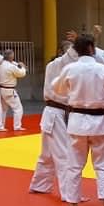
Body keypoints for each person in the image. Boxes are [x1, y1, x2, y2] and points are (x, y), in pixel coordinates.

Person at [51, 33, 104, 206]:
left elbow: (56, 88)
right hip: (101, 122)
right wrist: (103, 98)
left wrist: (73, 92)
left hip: (77, 122)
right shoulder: (103, 69)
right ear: (92, 48)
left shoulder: (70, 69)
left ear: (76, 49)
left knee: (74, 165)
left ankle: (72, 205)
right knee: (103, 164)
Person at [29, 40, 73, 197]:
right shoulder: (56, 65)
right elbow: (70, 56)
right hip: (56, 113)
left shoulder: (67, 67)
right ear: (61, 52)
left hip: (55, 114)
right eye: (69, 50)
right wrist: (87, 38)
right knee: (64, 154)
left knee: (47, 154)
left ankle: (39, 185)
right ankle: (70, 194)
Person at [0, 49, 27, 131]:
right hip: (9, 90)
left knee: (3, 109)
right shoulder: (11, 66)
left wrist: (18, 64)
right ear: (11, 56)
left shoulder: (1, 64)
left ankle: (0, 126)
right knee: (18, 108)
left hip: (0, 89)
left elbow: (13, 64)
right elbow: (21, 74)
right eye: (13, 55)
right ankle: (17, 126)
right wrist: (23, 67)